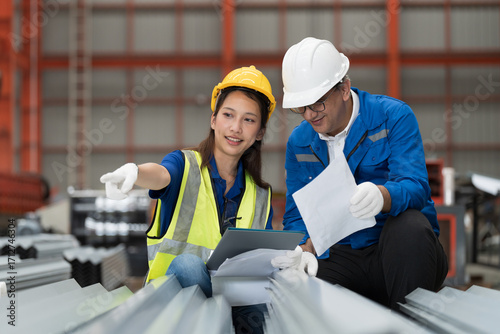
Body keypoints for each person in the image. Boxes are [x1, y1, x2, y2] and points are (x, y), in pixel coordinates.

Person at [100, 65, 275, 333]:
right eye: (228, 115)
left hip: (233, 311)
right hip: (170, 309)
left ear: (260, 132)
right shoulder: (185, 165)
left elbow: (260, 265)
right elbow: (161, 175)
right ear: (213, 119)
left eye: (249, 120)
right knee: (188, 265)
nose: (236, 127)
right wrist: (135, 173)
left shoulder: (261, 196)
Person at [277, 37, 448, 310]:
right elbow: (296, 214)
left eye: (317, 103)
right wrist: (302, 248)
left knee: (410, 226)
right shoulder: (299, 142)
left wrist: (384, 196)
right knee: (298, 282)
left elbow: (416, 186)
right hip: (344, 257)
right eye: (301, 108)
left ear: (344, 88)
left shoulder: (393, 117)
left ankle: (409, 324)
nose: (309, 115)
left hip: (400, 254)